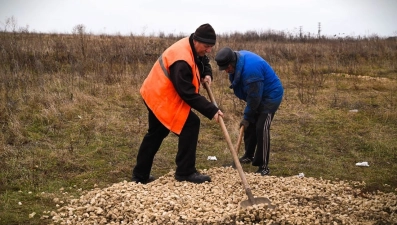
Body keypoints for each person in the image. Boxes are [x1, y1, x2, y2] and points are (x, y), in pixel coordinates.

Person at [132, 24, 223, 184]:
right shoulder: (181, 60)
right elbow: (187, 93)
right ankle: (185, 172)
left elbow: (203, 61)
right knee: (190, 124)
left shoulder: (193, 47)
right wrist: (212, 110)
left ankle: (140, 176)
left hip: (158, 91)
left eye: (211, 47)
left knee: (156, 133)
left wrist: (207, 74)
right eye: (207, 46)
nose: (209, 50)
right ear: (197, 40)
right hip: (160, 95)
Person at [215, 47, 283, 176]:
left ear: (233, 62)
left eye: (227, 67)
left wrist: (247, 116)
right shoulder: (237, 61)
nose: (226, 71)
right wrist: (248, 117)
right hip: (257, 93)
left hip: (270, 96)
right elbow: (251, 96)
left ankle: (263, 166)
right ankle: (248, 155)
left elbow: (254, 99)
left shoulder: (252, 72)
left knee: (261, 127)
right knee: (249, 124)